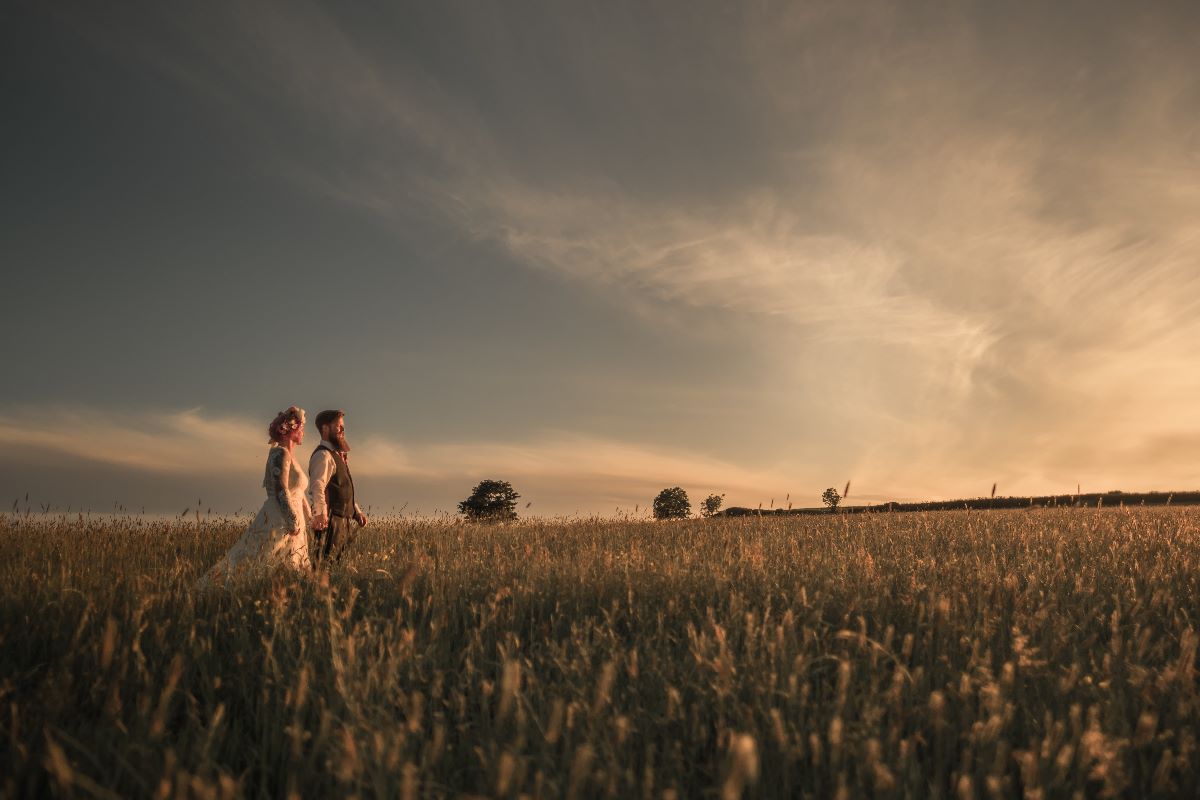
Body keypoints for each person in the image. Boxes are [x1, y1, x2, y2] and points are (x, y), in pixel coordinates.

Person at [197, 407, 312, 586]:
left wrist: (308, 515)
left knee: (291, 562)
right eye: (301, 429)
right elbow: (281, 488)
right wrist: (292, 520)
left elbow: (298, 491)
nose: (303, 433)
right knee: (258, 559)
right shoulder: (280, 453)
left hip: (294, 517)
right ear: (291, 430)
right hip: (279, 517)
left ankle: (286, 592)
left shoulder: (292, 456)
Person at [308, 409, 368, 565]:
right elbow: (318, 487)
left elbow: (343, 487)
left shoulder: (336, 455)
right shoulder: (323, 455)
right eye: (338, 426)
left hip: (343, 520)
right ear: (325, 428)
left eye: (343, 426)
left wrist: (356, 512)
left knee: (336, 566)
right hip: (331, 521)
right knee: (325, 565)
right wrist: (321, 514)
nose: (343, 429)